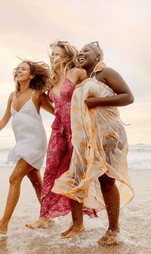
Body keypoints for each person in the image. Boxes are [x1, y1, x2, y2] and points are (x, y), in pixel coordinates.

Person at [52, 41, 135, 245]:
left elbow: (128, 97)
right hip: (90, 136)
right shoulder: (82, 80)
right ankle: (77, 223)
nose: (81, 54)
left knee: (107, 180)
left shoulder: (105, 73)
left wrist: (96, 102)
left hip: (109, 134)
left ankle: (113, 230)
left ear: (98, 56)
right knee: (81, 176)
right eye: (79, 52)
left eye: (86, 51)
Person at [26, 41, 97, 231]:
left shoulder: (77, 73)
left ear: (67, 56)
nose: (53, 57)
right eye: (52, 54)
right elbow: (53, 106)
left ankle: (78, 221)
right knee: (50, 170)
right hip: (59, 130)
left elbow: (95, 93)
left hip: (78, 130)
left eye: (57, 54)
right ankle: (44, 216)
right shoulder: (52, 80)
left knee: (75, 173)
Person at [0, 60, 54, 234]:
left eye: (24, 69)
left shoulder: (37, 94)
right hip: (22, 142)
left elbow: (57, 113)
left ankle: (3, 225)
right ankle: (47, 217)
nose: (19, 70)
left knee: (14, 178)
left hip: (35, 142)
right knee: (36, 181)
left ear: (32, 75)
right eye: (18, 68)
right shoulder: (12, 96)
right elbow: (5, 119)